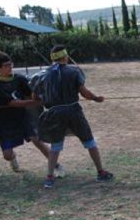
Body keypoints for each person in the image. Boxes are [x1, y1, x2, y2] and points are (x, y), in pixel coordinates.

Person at [32, 45, 113, 189]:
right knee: (89, 142)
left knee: (55, 146)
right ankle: (101, 172)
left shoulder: (41, 75)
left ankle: (50, 177)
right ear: (65, 57)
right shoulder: (74, 72)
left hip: (53, 113)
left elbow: (35, 97)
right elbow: (84, 92)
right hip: (73, 112)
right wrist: (96, 98)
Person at [0, 52, 65, 175]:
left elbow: (33, 91)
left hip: (22, 117)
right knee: (7, 155)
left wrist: (43, 96)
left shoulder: (19, 79)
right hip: (4, 122)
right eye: (6, 65)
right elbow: (13, 103)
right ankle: (13, 159)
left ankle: (56, 166)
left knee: (37, 139)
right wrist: (35, 103)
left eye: (11, 64)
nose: (10, 67)